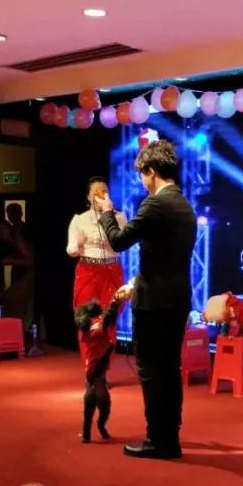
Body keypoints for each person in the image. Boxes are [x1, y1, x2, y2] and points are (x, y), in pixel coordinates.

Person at [95, 141, 196, 460]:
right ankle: (169, 437)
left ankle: (157, 440)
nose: (141, 180)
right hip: (176, 299)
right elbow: (165, 258)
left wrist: (107, 213)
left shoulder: (155, 204)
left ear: (151, 171)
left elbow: (118, 241)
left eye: (142, 174)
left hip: (154, 303)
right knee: (170, 370)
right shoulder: (184, 204)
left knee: (152, 372)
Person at [74, 283, 133, 443]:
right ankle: (96, 427)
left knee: (94, 404)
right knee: (100, 403)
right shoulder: (97, 325)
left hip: (93, 372)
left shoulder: (84, 328)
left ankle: (89, 431)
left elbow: (107, 316)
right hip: (96, 372)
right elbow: (109, 315)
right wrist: (115, 301)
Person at [67, 178, 127, 327]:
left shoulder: (120, 218)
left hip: (112, 271)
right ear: (89, 196)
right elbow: (71, 250)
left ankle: (108, 342)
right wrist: (78, 244)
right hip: (87, 271)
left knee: (109, 316)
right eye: (96, 192)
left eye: (105, 192)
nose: (101, 195)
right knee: (86, 317)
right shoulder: (80, 220)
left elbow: (123, 244)